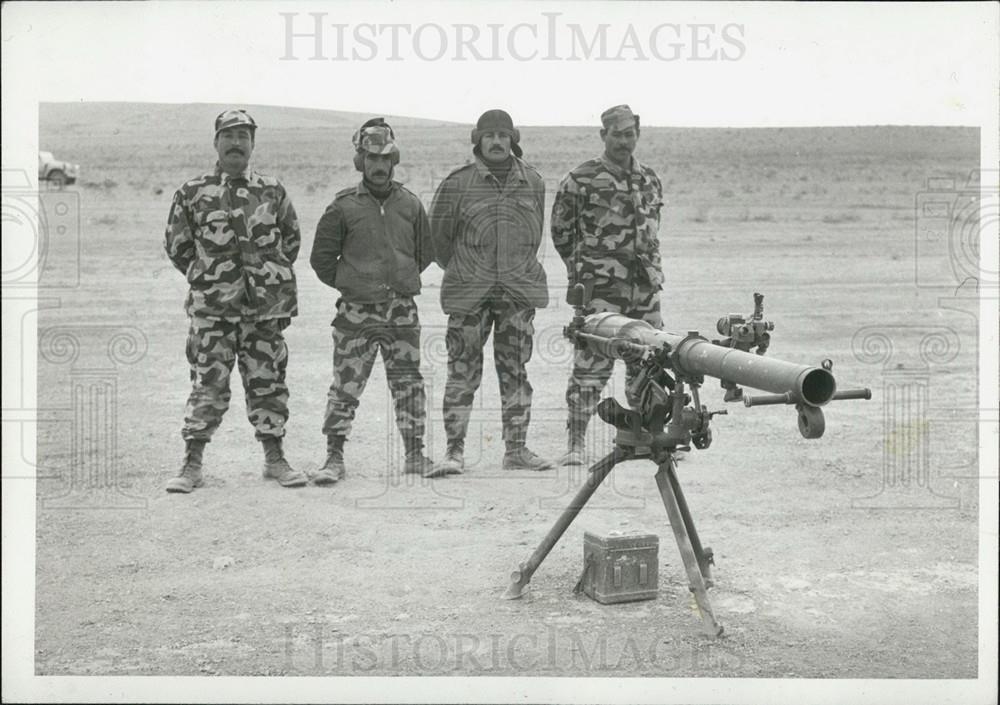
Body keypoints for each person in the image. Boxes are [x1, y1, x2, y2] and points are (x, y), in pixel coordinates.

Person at [163, 109, 307, 492]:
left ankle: (275, 459)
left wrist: (265, 280)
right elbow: (178, 247)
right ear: (216, 143)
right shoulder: (192, 192)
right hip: (214, 311)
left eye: (244, 136)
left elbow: (290, 242)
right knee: (207, 384)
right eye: (229, 135)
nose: (236, 142)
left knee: (268, 383)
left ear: (252, 144)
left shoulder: (272, 191)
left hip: (263, 311)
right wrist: (209, 279)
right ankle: (192, 464)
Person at [428, 109, 555, 476]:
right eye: (489, 136)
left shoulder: (532, 181)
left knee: (515, 371)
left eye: (503, 135)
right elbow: (438, 242)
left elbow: (533, 234)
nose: (497, 141)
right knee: (462, 373)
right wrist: (470, 268)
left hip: (516, 294)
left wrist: (513, 269)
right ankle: (454, 452)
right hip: (470, 295)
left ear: (512, 138)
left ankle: (516, 450)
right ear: (478, 140)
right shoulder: (457, 184)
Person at [309, 118, 436, 483]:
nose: (379, 166)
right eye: (371, 158)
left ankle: (415, 454)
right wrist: (353, 284)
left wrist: (397, 280)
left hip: (401, 312)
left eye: (385, 158)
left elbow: (424, 252)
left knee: (408, 383)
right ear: (360, 161)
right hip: (355, 313)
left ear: (394, 160)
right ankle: (333, 458)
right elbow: (322, 260)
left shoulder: (410, 205)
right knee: (346, 385)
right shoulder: (343, 207)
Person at [550, 104, 665, 465]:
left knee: (649, 363)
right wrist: (584, 273)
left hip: (644, 290)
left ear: (637, 134)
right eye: (616, 134)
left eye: (629, 133)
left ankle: (648, 437)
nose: (623, 141)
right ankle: (575, 442)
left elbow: (652, 229)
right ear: (604, 135)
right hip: (600, 291)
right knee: (590, 366)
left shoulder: (649, 179)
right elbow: (561, 232)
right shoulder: (580, 180)